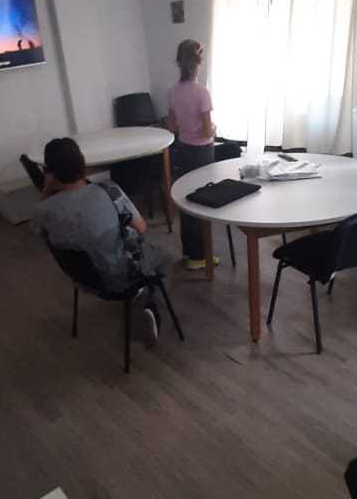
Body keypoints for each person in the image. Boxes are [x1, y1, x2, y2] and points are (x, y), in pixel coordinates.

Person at [31, 137, 168, 345]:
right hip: (121, 275)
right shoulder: (108, 190)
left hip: (83, 278)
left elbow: (39, 234)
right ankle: (146, 302)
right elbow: (141, 228)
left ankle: (139, 295)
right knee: (158, 256)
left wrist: (46, 189)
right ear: (82, 163)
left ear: (49, 173)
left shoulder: (42, 211)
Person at [167, 38, 217, 270]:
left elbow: (172, 127)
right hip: (202, 154)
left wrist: (187, 128)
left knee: (187, 201)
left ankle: (190, 253)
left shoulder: (173, 92)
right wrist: (214, 128)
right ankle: (201, 257)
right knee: (203, 202)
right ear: (198, 63)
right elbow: (207, 131)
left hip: (183, 151)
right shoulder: (202, 93)